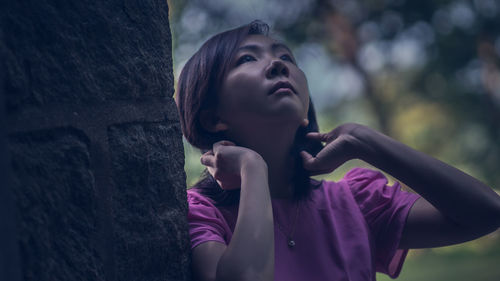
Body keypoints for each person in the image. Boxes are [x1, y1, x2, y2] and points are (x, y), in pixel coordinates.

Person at [175, 20, 500, 281]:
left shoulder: (356, 203)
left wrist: (365, 141)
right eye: (247, 58)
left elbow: (486, 213)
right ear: (213, 117)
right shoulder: (200, 212)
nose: (277, 64)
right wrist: (253, 168)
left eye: (286, 56)